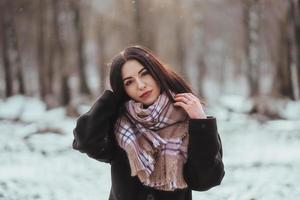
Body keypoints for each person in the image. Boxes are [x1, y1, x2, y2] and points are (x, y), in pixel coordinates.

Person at [72, 45, 225, 200]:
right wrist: (110, 99)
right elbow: (86, 141)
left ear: (156, 72)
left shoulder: (190, 122)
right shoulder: (120, 125)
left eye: (144, 73)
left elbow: (206, 180)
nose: (140, 85)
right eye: (129, 82)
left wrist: (200, 122)